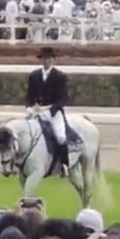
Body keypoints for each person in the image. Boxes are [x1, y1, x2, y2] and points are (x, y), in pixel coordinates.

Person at [25, 47, 70, 176]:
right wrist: (30, 107)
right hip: (36, 110)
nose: (47, 61)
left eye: (49, 58)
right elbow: (30, 96)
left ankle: (64, 164)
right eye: (44, 59)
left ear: (53, 60)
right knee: (24, 131)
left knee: (61, 137)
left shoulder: (60, 76)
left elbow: (62, 99)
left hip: (53, 112)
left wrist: (49, 108)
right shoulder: (34, 76)